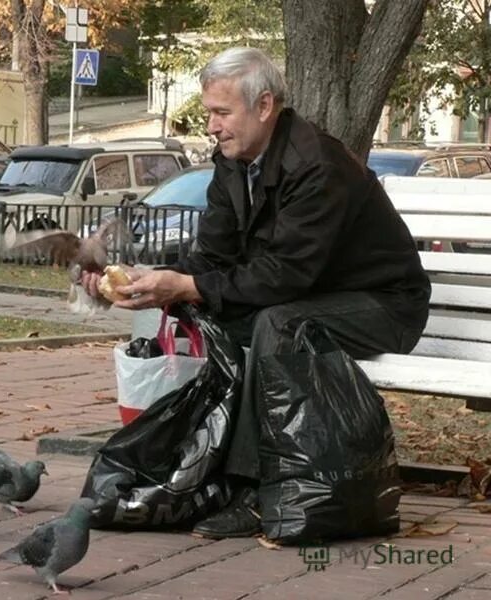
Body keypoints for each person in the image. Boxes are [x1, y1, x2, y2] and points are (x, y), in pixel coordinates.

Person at [81, 47, 431, 539]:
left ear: (264, 106)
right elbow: (215, 259)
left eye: (221, 112)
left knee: (278, 323)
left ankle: (251, 489)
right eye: (208, 112)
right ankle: (199, 466)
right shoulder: (235, 161)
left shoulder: (316, 165)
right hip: (310, 297)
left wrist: (190, 285)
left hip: (385, 305)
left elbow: (286, 275)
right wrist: (146, 281)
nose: (211, 125)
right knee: (224, 315)